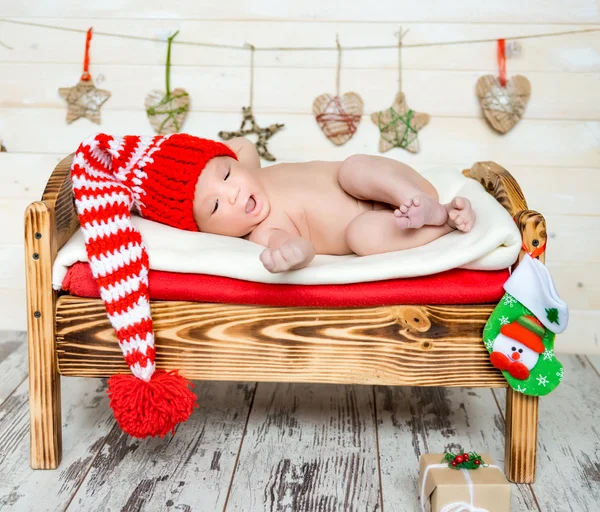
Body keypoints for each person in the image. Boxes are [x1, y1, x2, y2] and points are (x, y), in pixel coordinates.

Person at [193, 136, 475, 274]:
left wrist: (183, 156)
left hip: (387, 186)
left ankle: (419, 201)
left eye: (227, 174)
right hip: (392, 226)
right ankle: (445, 220)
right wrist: (290, 255)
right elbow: (302, 248)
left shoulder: (251, 171)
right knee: (361, 236)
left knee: (353, 168)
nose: (232, 192)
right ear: (206, 232)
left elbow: (242, 144)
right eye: (215, 207)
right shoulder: (262, 233)